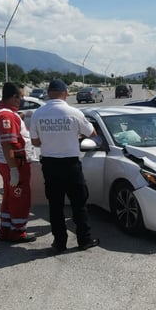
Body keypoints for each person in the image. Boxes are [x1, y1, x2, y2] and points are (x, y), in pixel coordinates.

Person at [29, 78, 99, 253]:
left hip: (50, 165)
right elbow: (93, 133)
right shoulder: (74, 112)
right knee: (78, 204)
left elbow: (35, 142)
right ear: (65, 93)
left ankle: (59, 243)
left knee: (55, 206)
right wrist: (75, 137)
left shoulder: (38, 113)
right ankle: (84, 240)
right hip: (71, 165)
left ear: (48, 93)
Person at [0, 82, 36, 243]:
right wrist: (14, 170)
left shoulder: (3, 112)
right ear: (13, 97)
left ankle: (5, 229)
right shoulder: (6, 116)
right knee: (20, 197)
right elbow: (7, 144)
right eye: (21, 97)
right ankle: (17, 232)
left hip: (10, 162)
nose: (22, 100)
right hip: (16, 163)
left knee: (10, 197)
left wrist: (25, 115)